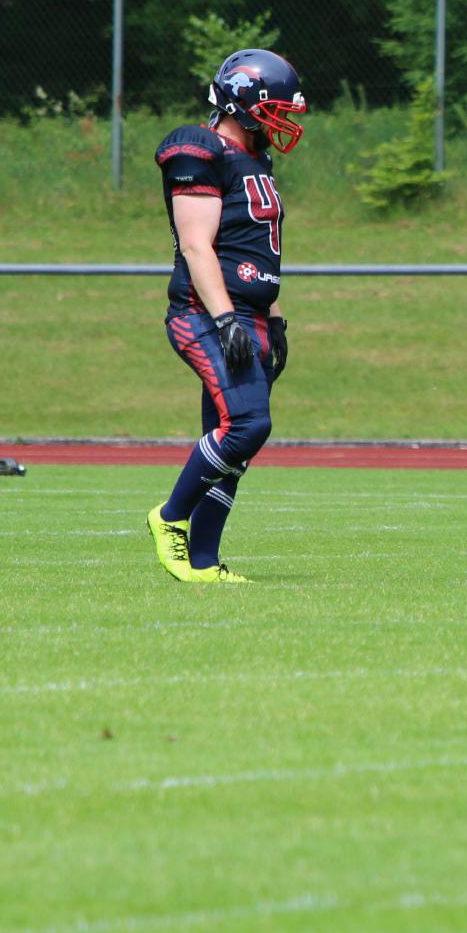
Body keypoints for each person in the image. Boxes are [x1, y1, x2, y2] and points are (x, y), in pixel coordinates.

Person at [145, 49, 306, 584]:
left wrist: (275, 319)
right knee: (248, 424)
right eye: (275, 110)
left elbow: (255, 252)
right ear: (242, 101)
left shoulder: (255, 160)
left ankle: (204, 564)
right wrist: (225, 319)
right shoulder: (198, 148)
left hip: (251, 313)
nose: (283, 122)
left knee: (233, 441)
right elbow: (197, 246)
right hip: (206, 312)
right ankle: (170, 518)